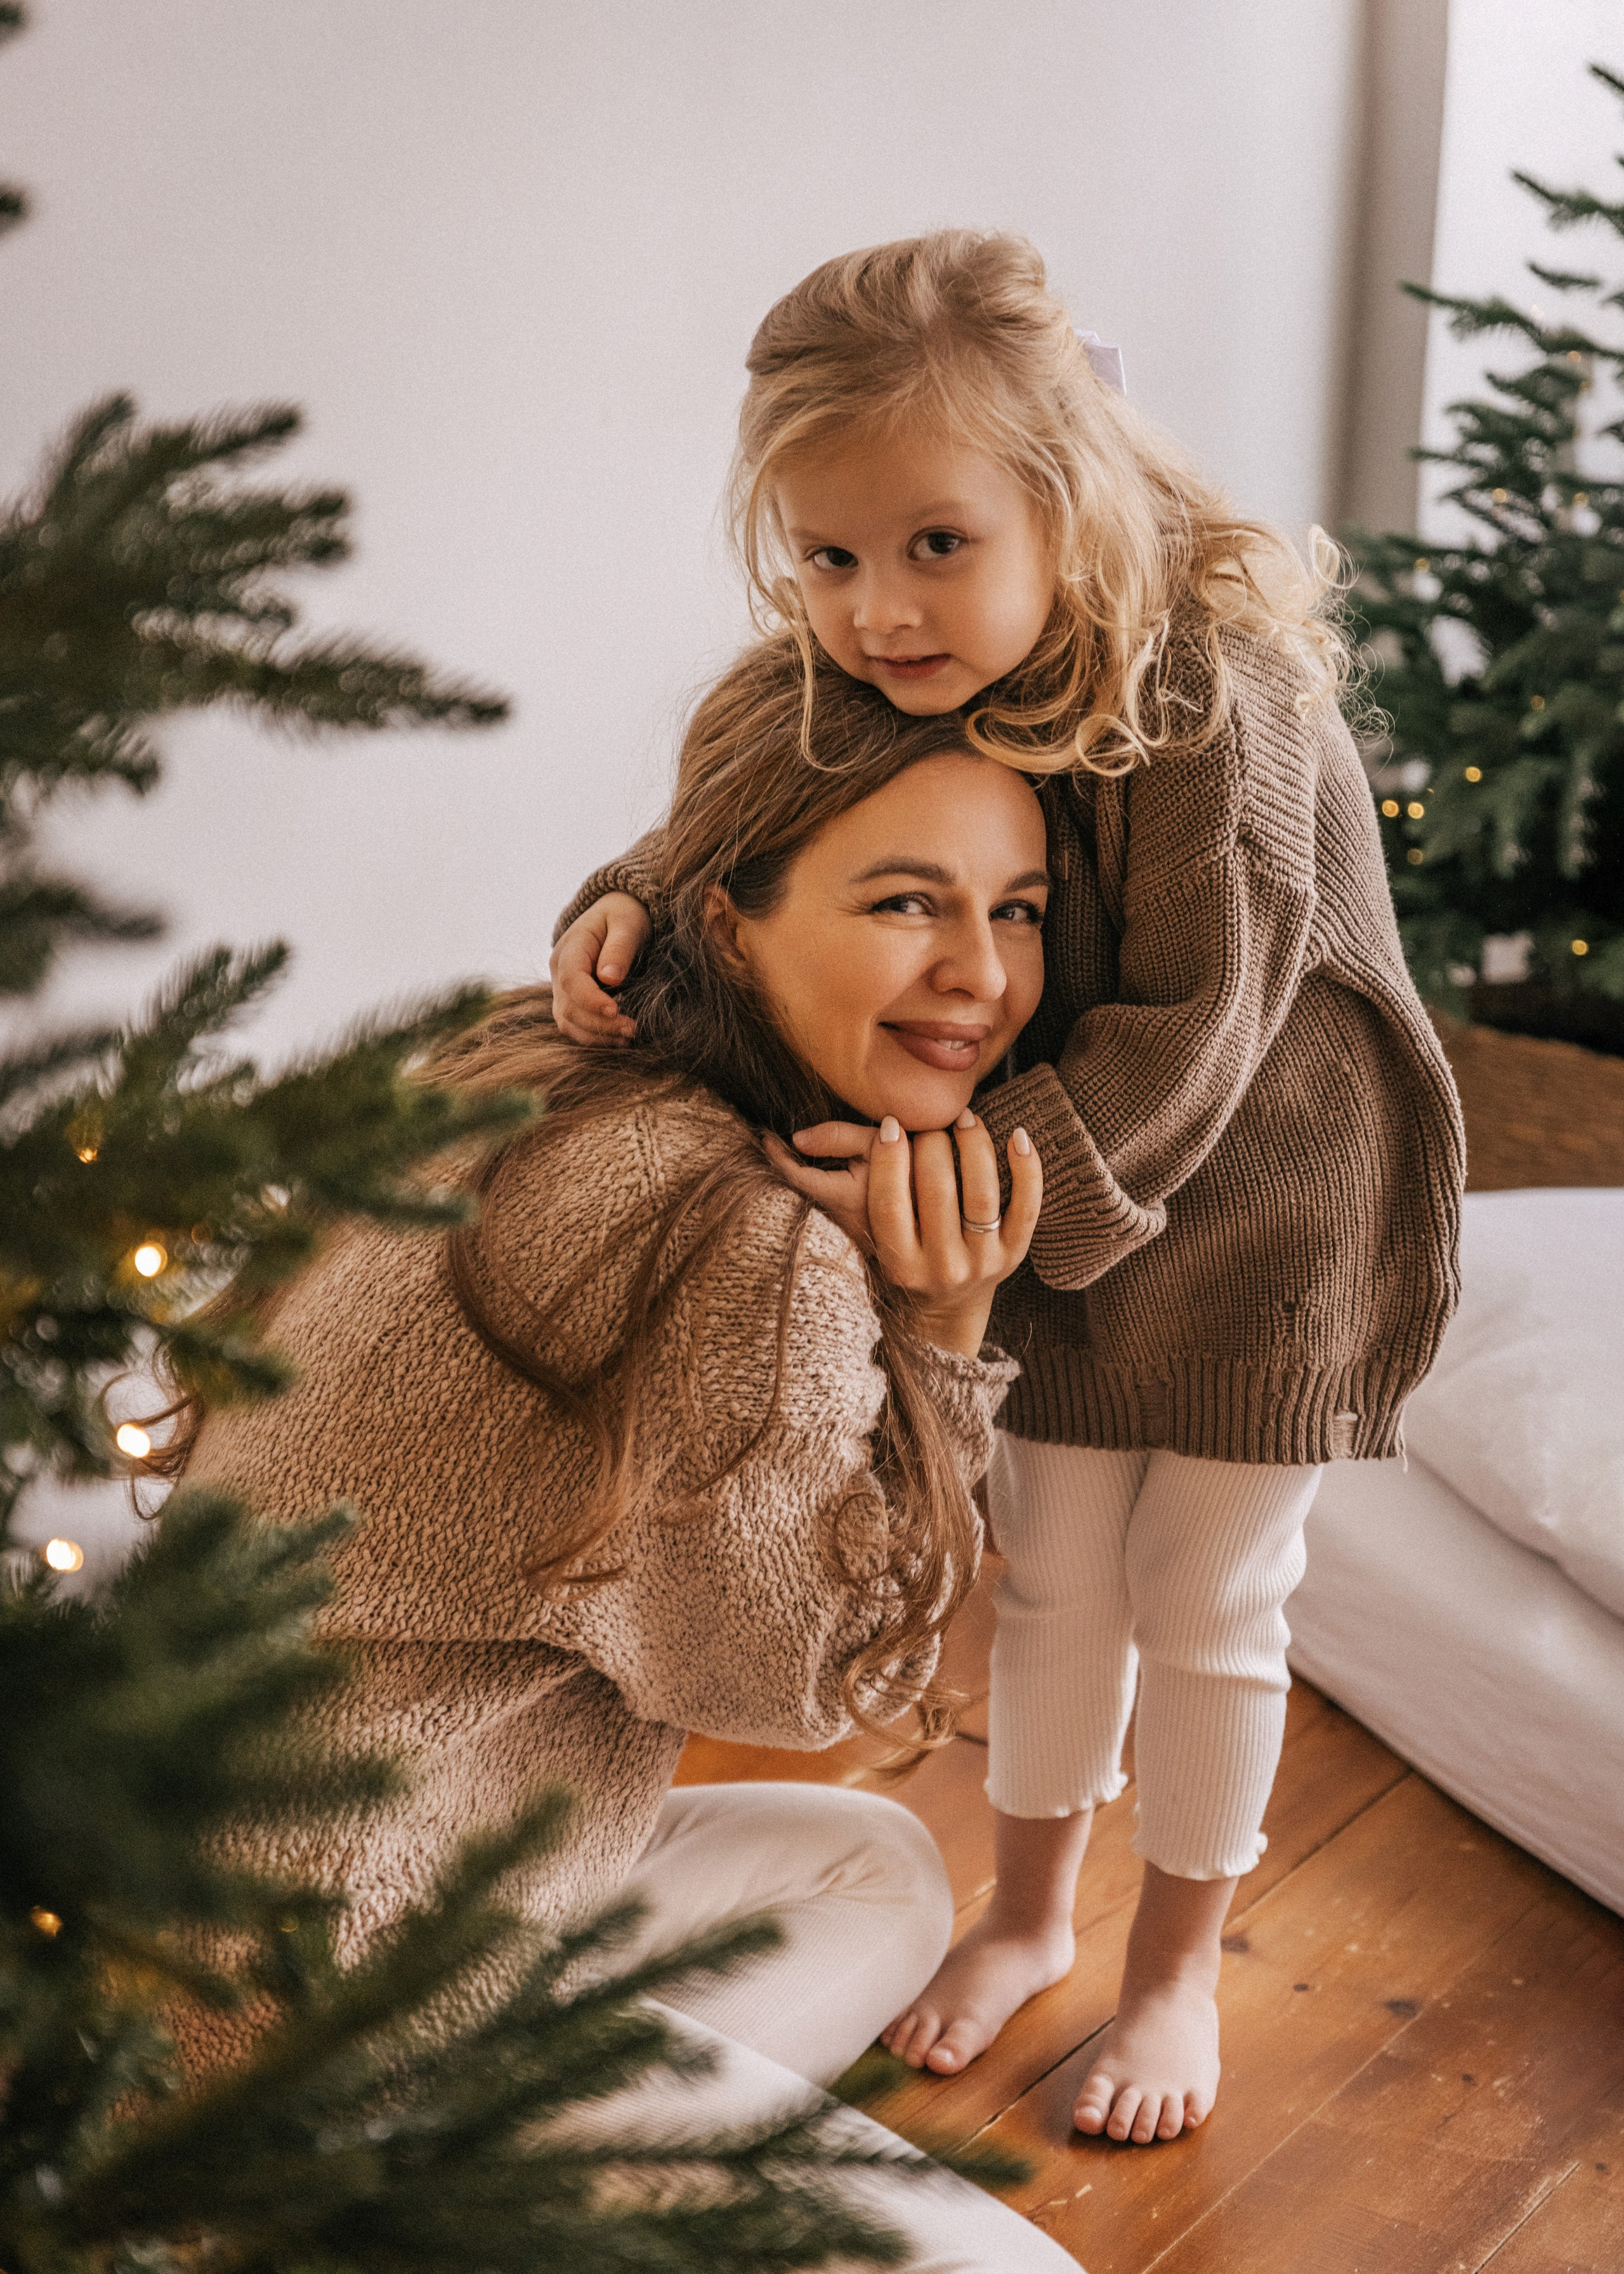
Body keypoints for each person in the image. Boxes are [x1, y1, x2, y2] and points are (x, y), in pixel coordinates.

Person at [550, 228, 1465, 2149]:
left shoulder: (1222, 702)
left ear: (1065, 502)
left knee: (1209, 1596)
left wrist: (961, 1188)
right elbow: (739, 805)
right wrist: (626, 902)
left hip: (1266, 1212)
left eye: (933, 546)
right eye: (828, 557)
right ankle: (1037, 1914)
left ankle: (1177, 1970)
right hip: (1072, 1179)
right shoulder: (901, 655)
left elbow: (1203, 1033)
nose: (878, 609)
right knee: (1052, 1578)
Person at [179, 643, 1078, 2274]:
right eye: (903, 903)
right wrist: (942, 1329)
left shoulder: (516, 1053)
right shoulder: (740, 1240)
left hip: (219, 1895)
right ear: (725, 919)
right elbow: (815, 1685)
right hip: (325, 2033)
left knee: (871, 1868)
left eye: (1012, 908)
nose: (980, 976)